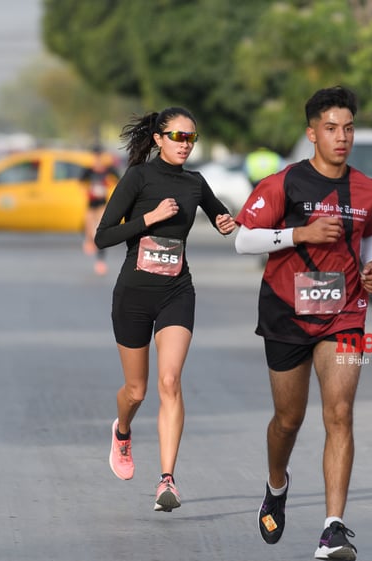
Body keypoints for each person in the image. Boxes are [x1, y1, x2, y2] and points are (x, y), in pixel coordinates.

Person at [234, 86, 372, 560]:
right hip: (286, 312)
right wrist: (298, 233)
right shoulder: (284, 184)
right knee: (289, 419)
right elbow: (244, 240)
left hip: (343, 314)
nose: (341, 137)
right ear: (312, 134)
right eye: (330, 129)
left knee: (339, 413)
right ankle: (277, 485)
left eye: (348, 128)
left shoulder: (368, 189)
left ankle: (333, 528)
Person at [94, 107, 236, 512]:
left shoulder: (195, 182)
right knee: (136, 391)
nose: (185, 145)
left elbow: (218, 213)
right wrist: (150, 218)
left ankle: (167, 481)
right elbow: (103, 236)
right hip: (134, 295)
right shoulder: (138, 177)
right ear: (158, 138)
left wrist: (226, 222)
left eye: (191, 138)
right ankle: (122, 431)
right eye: (177, 136)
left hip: (177, 290)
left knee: (170, 382)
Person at [81, 146, 114, 275]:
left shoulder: (108, 170)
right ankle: (89, 241)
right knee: (88, 225)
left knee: (99, 230)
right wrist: (87, 192)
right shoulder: (89, 170)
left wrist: (108, 184)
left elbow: (118, 180)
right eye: (96, 157)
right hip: (91, 204)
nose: (98, 159)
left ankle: (100, 261)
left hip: (102, 204)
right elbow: (80, 183)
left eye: (100, 156)